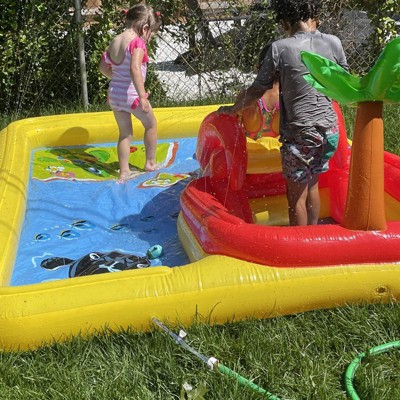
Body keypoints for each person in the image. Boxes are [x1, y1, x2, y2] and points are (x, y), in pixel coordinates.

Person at [218, 0, 348, 226]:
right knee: (312, 184)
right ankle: (314, 237)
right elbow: (343, 81)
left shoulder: (280, 47)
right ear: (310, 15)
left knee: (295, 196)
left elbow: (259, 88)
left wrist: (232, 109)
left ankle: (301, 249)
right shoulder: (333, 42)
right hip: (329, 129)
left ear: (284, 22)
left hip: (301, 133)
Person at [99, 3, 162, 183]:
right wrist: (142, 96)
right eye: (151, 34)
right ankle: (150, 163)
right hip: (133, 96)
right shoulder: (137, 42)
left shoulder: (115, 40)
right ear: (145, 28)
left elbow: (103, 67)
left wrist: (117, 79)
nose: (149, 38)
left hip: (115, 95)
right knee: (151, 125)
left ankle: (124, 171)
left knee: (125, 133)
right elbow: (135, 68)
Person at [240, 43, 280, 140]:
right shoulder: (288, 98)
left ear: (258, 67)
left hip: (251, 152)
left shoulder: (247, 97)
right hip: (276, 153)